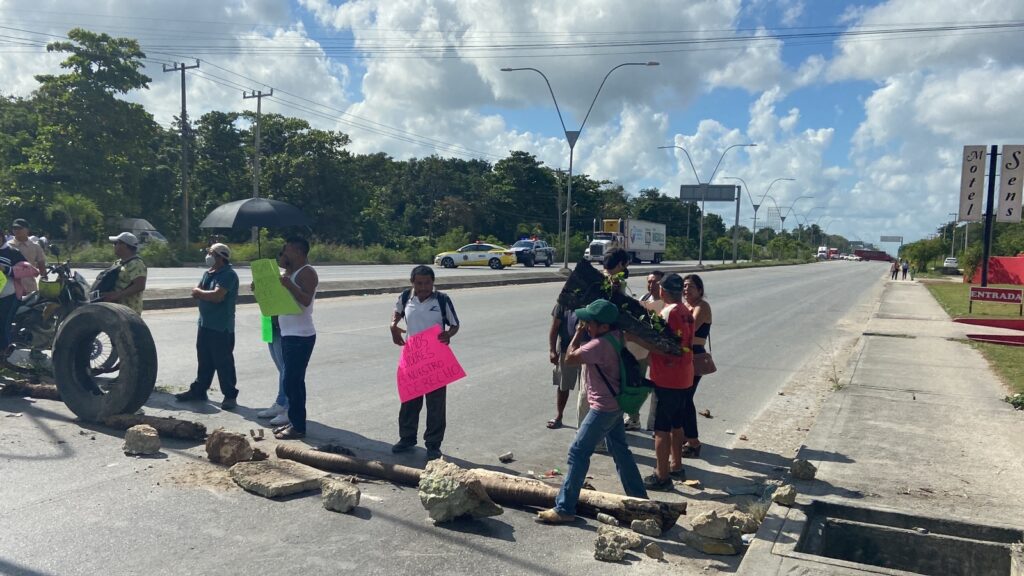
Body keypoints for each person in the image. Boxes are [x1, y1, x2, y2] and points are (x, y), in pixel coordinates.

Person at [536, 299, 648, 523]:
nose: (586, 325)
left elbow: (569, 358)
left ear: (604, 326)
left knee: (578, 451)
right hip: (617, 404)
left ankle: (565, 509)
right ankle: (641, 499)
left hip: (603, 407)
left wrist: (576, 335)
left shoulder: (599, 345)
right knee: (620, 451)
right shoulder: (618, 336)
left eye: (590, 322)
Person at [390, 265, 460, 460]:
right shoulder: (406, 297)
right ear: (412, 283)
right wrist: (393, 325)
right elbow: (397, 313)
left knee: (436, 404)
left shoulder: (442, 300)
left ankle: (433, 444)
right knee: (409, 401)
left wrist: (448, 334)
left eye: (427, 283)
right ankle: (406, 438)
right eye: (419, 283)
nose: (423, 287)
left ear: (433, 282)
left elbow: (455, 324)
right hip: (412, 356)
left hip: (436, 358)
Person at [642, 273, 695, 490]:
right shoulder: (686, 312)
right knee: (677, 423)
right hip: (684, 375)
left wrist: (636, 338)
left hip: (666, 377)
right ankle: (676, 465)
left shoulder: (668, 311)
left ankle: (662, 475)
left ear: (663, 291)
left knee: (660, 428)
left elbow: (663, 347)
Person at [174, 244, 240, 409]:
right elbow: (198, 290)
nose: (208, 256)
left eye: (211, 253)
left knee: (223, 362)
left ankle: (230, 395)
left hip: (221, 327)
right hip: (204, 324)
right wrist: (201, 293)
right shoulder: (209, 273)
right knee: (204, 360)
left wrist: (200, 293)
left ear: (220, 256)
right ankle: (199, 390)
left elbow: (217, 296)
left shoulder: (228, 275)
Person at [273, 237, 319, 440]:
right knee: (292, 381)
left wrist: (288, 285)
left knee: (293, 381)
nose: (284, 253)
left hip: (301, 336)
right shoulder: (289, 273)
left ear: (299, 252)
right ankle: (294, 422)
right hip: (288, 334)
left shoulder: (307, 272)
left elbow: (305, 299)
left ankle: (298, 426)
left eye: (288, 250)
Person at [625, 270, 665, 431]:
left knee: (660, 387)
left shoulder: (667, 303)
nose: (651, 285)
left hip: (658, 350)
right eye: (649, 281)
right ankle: (633, 418)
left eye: (655, 282)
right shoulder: (643, 299)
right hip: (640, 349)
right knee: (636, 383)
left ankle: (658, 424)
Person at [256, 250, 290, 427]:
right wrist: (260, 290)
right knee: (281, 368)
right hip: (270, 323)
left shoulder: (291, 277)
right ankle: (280, 402)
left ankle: (285, 405)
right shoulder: (281, 276)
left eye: (283, 254)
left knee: (286, 369)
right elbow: (268, 301)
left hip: (283, 326)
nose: (280, 258)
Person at [680, 274, 711, 458]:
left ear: (700, 290)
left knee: (685, 397)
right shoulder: (686, 306)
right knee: (683, 396)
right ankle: (686, 435)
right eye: (684, 286)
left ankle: (694, 441)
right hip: (685, 355)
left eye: (691, 286)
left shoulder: (702, 306)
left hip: (695, 355)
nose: (686, 290)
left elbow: (688, 329)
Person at [548, 300, 585, 429]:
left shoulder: (589, 301)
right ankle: (559, 416)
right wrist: (552, 350)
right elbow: (554, 328)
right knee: (563, 385)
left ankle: (584, 422)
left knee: (585, 389)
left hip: (585, 350)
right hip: (565, 349)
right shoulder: (562, 303)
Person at [104, 232, 148, 315]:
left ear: (124, 246)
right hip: (116, 309)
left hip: (129, 311)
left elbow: (139, 286)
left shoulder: (136, 264)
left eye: (115, 243)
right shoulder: (118, 263)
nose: (113, 246)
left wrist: (117, 295)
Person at [0, 236, 28, 359]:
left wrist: (8, 270)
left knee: (3, 323)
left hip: (9, 295)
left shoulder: (12, 252)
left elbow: (29, 270)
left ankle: (5, 350)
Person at [8, 219, 45, 294]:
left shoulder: (35, 246)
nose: (16, 230)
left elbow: (42, 265)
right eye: (14, 228)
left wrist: (44, 280)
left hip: (30, 287)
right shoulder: (7, 246)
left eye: (19, 228)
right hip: (11, 288)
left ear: (27, 229)